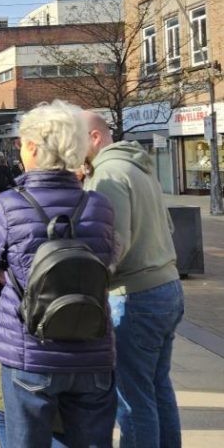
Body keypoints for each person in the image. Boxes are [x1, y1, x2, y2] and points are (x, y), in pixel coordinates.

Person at [0, 100, 117, 448]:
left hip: (29, 350)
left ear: (34, 148)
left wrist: (15, 286)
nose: (20, 151)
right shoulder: (98, 205)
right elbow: (108, 266)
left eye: (22, 144)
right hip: (92, 349)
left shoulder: (8, 205)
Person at [83, 111, 184, 448]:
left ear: (95, 137)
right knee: (157, 387)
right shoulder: (139, 167)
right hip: (166, 288)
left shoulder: (108, 174)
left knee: (132, 397)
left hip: (135, 295)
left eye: (76, 141)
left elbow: (113, 245)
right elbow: (168, 228)